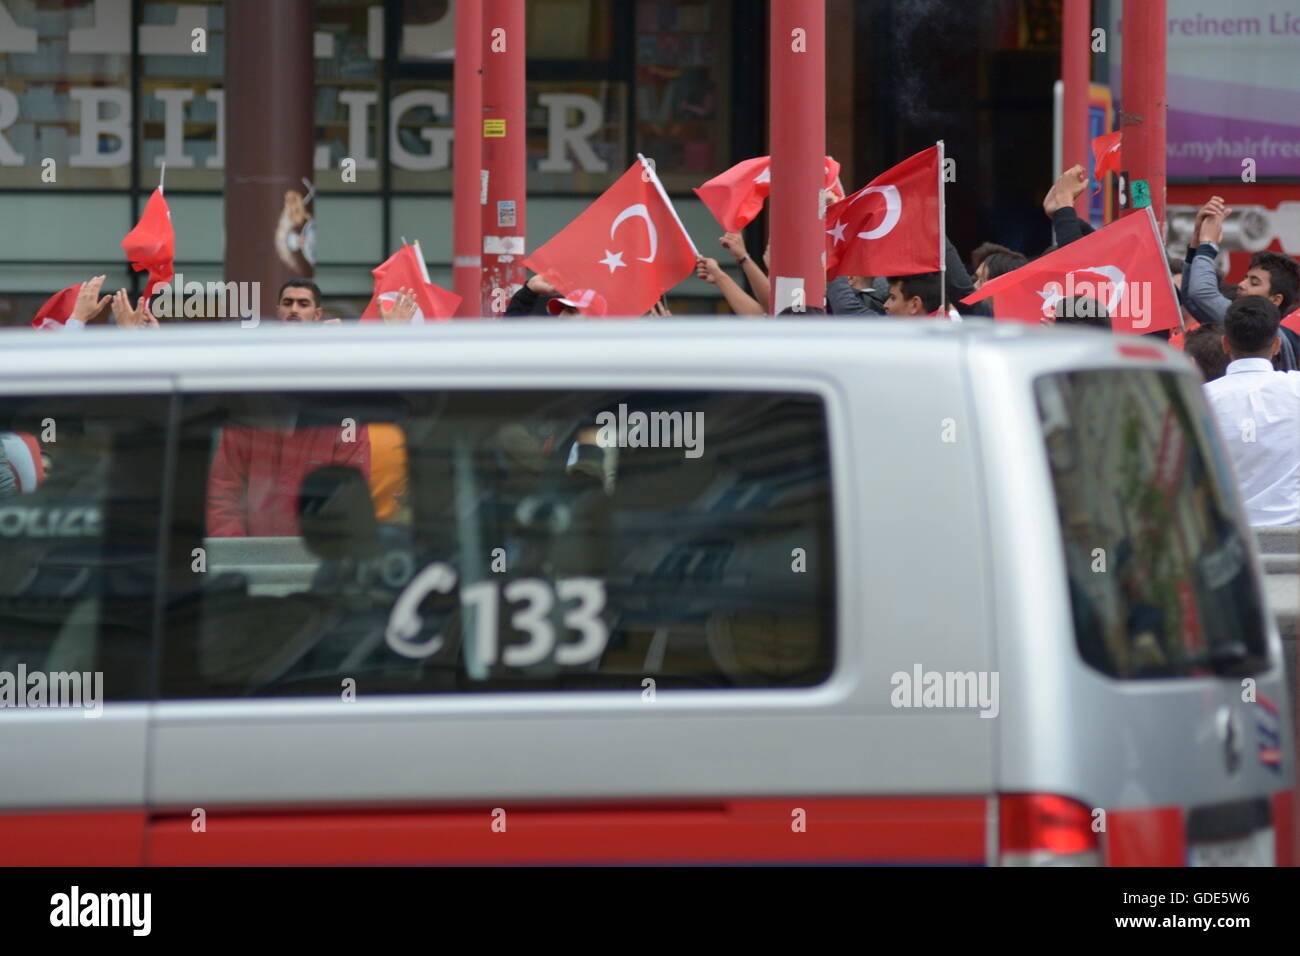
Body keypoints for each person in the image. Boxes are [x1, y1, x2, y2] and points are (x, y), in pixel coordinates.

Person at [1202, 296, 1300, 526]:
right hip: (1292, 540)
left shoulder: (1201, 399)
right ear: (1277, 345)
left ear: (1225, 344)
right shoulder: (1296, 389)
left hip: (1228, 540)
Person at [1184, 197, 1300, 370]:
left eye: (1254, 283)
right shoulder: (1241, 325)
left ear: (1275, 300)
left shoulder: (1264, 329)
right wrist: (1196, 241)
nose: (1241, 284)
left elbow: (1202, 294)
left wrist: (1208, 244)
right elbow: (1191, 298)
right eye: (1245, 277)